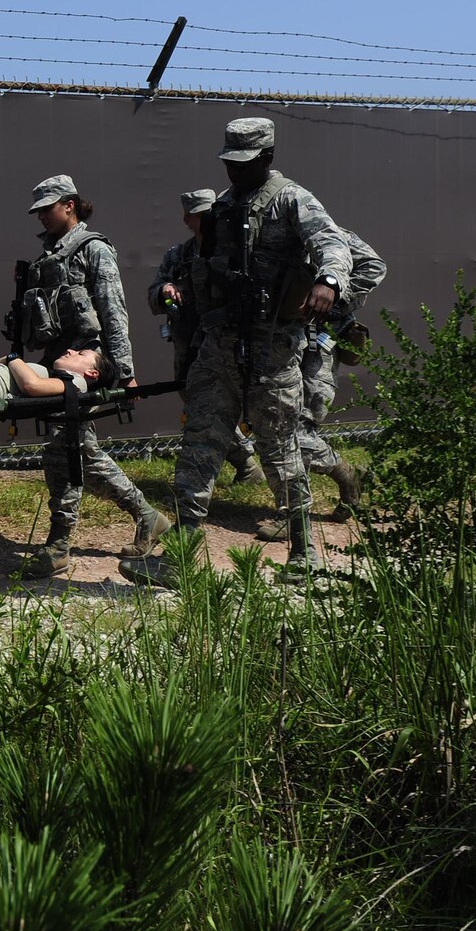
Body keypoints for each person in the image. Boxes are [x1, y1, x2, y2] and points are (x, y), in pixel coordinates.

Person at [122, 117, 352, 586]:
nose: (234, 170)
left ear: (268, 157)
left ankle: (304, 551)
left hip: (272, 351)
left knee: (280, 449)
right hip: (219, 349)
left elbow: (332, 243)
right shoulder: (223, 206)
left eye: (244, 163)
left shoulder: (292, 199)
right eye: (229, 162)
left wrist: (329, 280)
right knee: (199, 446)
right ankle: (181, 558)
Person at [16, 175, 172, 578]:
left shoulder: (93, 249)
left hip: (87, 363)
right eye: (38, 211)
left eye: (47, 209)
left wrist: (125, 373)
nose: (41, 217)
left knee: (67, 448)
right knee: (76, 449)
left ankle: (59, 545)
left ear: (69, 205)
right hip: (59, 360)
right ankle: (146, 515)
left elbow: (114, 311)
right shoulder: (50, 254)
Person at [252, 224, 385, 542]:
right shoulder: (265, 233)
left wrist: (335, 300)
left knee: (298, 430)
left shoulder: (323, 229)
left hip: (319, 347)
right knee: (278, 426)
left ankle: (293, 514)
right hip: (280, 341)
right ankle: (345, 474)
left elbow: (374, 265)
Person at [147, 188, 263, 488]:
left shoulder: (236, 251)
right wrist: (165, 290)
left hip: (225, 341)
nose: (210, 222)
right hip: (189, 344)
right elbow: (153, 295)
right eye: (201, 217)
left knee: (217, 406)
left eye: (213, 215)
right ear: (188, 220)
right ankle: (245, 464)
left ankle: (248, 464)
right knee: (198, 405)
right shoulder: (178, 256)